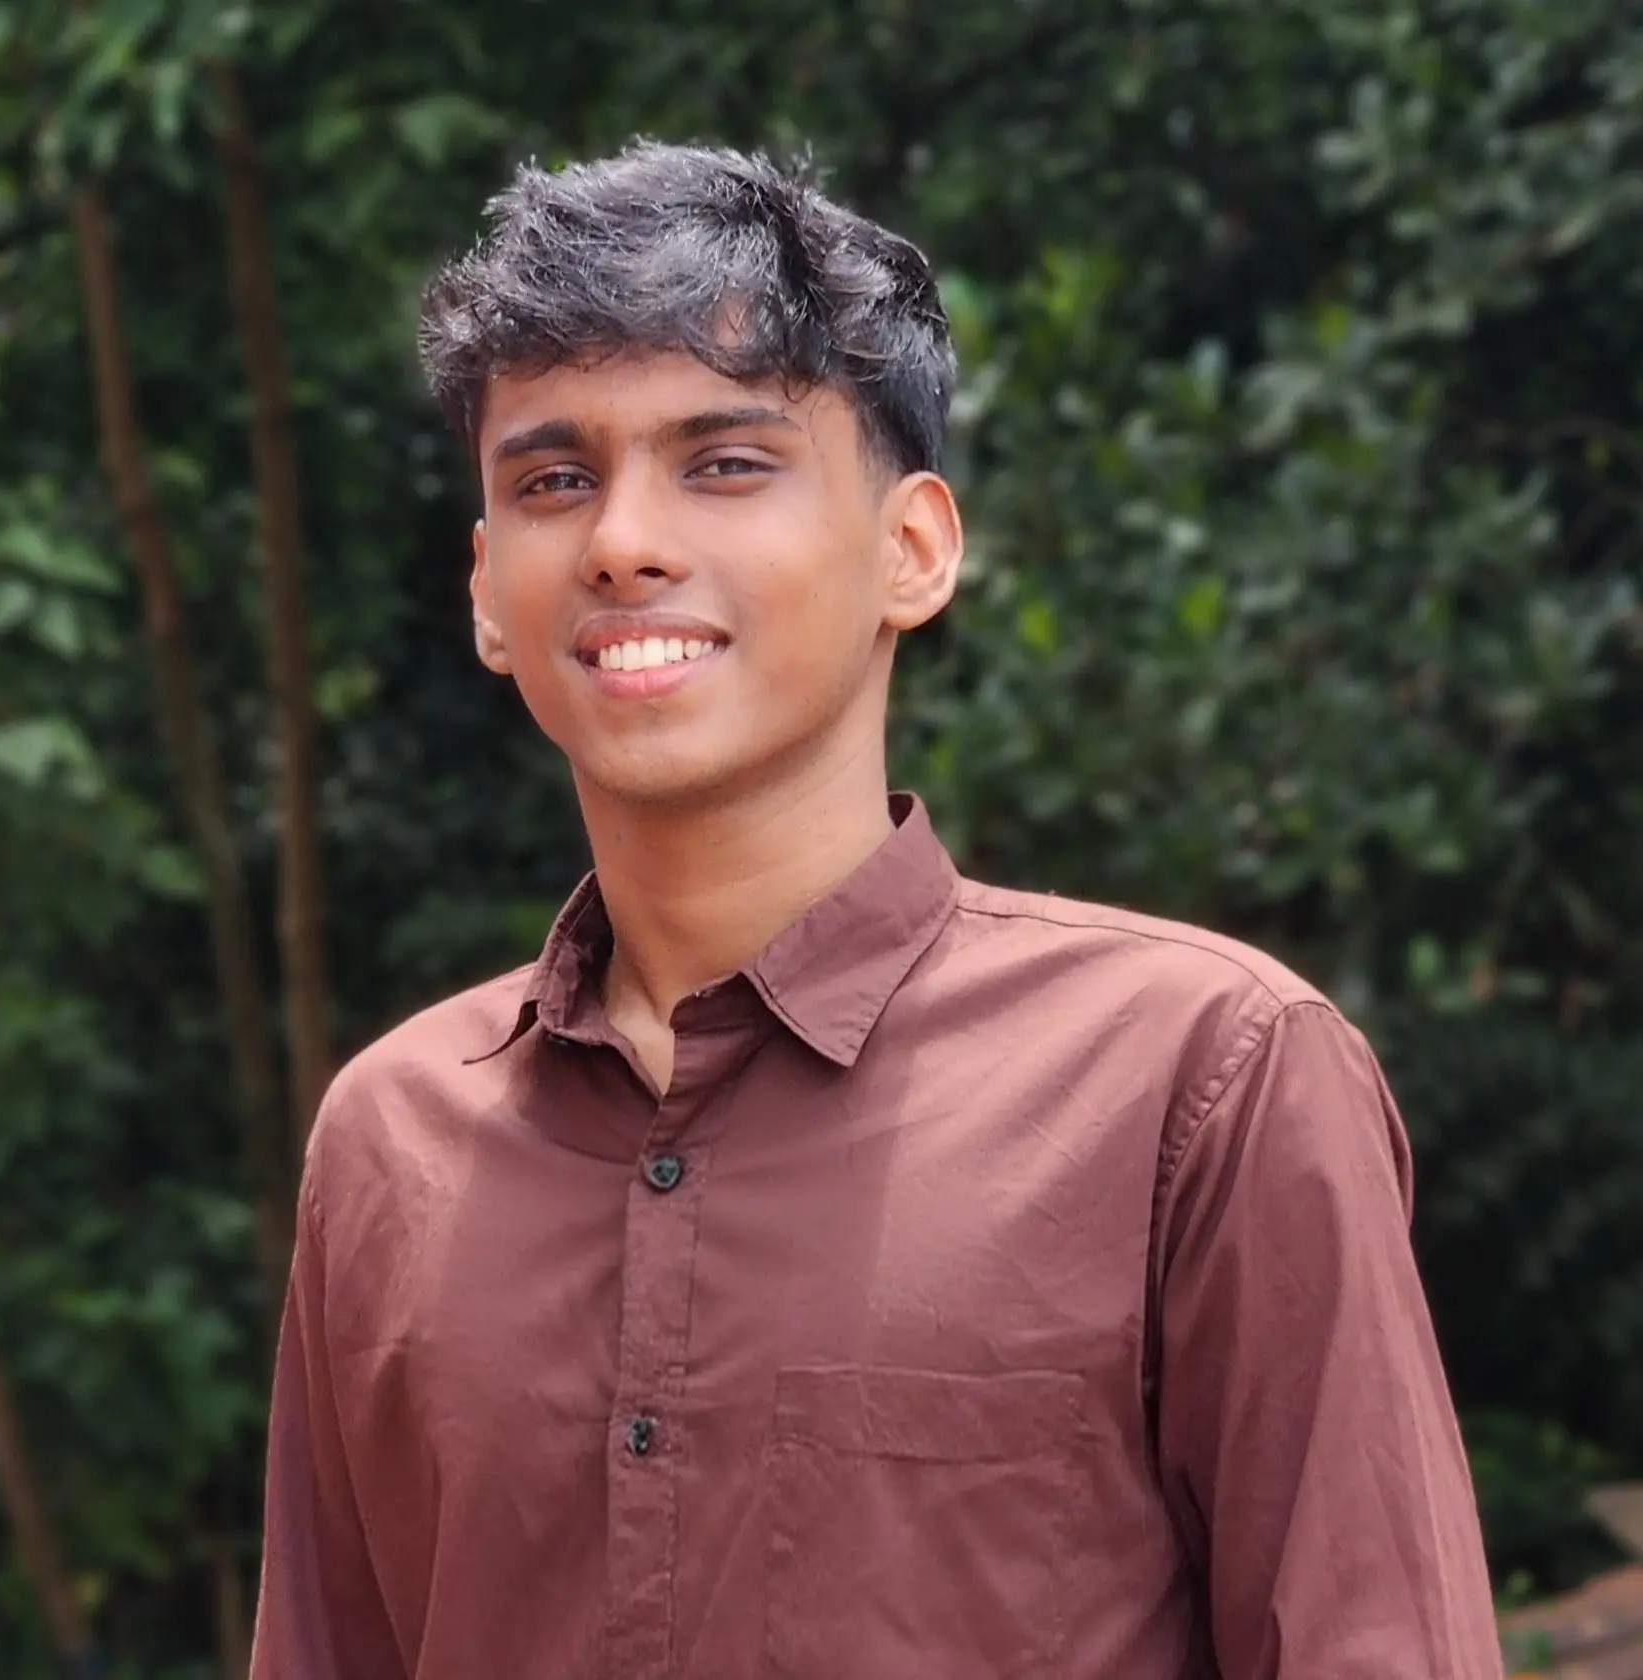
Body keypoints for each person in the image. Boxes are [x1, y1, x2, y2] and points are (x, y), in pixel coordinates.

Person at [249, 141, 1504, 1679]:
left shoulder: (1203, 1082)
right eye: (554, 480)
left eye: (725, 463)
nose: (624, 542)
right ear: (486, 591)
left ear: (913, 550)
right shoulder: (392, 1143)